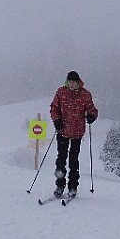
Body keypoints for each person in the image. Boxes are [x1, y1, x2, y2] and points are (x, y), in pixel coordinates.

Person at [50, 71, 98, 199]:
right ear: (67, 81)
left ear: (78, 82)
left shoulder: (85, 94)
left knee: (73, 160)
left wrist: (92, 115)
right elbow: (54, 107)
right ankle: (59, 186)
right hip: (62, 131)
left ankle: (73, 187)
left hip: (77, 132)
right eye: (69, 81)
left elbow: (91, 108)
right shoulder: (61, 92)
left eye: (73, 82)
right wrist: (56, 120)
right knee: (61, 159)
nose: (71, 84)